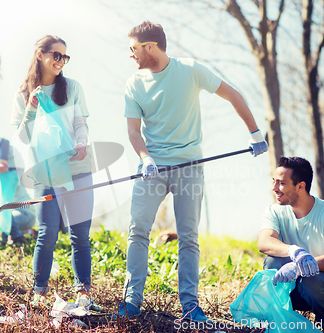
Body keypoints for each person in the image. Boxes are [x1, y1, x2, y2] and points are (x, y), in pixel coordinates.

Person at [118, 21, 268, 323]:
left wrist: (254, 134)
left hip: (189, 167)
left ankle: (190, 306)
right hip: (152, 168)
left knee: (188, 236)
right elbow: (133, 131)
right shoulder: (134, 83)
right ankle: (131, 300)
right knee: (138, 230)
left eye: (133, 48)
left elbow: (232, 94)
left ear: (150, 47)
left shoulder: (190, 70)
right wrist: (145, 158)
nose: (130, 55)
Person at [10, 35, 98, 309]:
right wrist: (31, 111)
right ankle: (39, 291)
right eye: (56, 55)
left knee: (79, 235)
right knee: (47, 233)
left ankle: (83, 291)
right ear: (40, 54)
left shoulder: (72, 88)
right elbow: (22, 137)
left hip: (77, 168)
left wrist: (81, 144)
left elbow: (81, 125)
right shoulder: (23, 94)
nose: (61, 61)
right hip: (44, 172)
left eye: (65, 57)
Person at [258, 156, 324, 333]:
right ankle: (280, 322)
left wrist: (301, 267)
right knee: (272, 263)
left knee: (312, 279)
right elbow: (264, 242)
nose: (274, 188)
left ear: (300, 186)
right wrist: (294, 251)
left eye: (281, 183)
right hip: (291, 285)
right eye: (274, 182)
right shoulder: (274, 211)